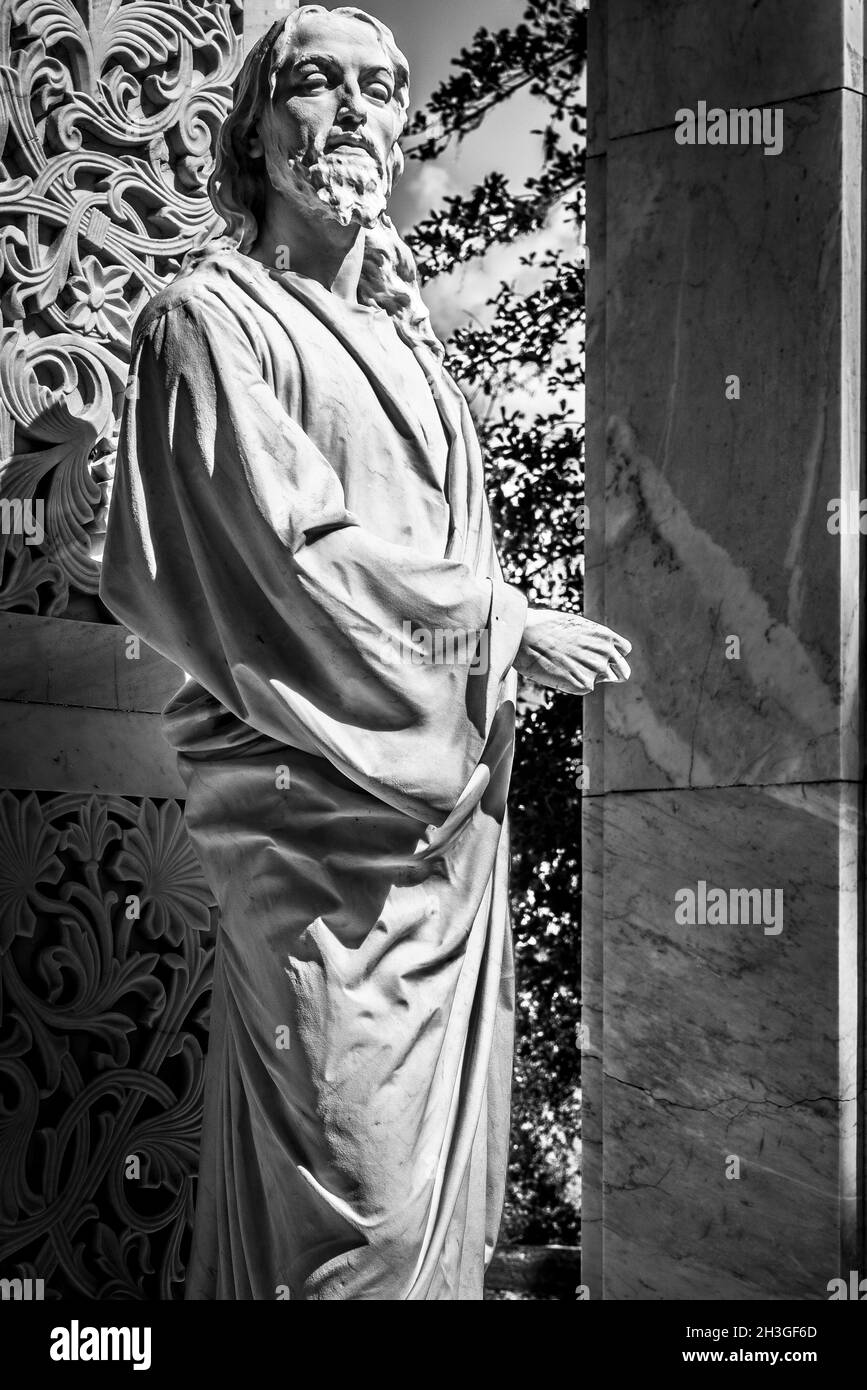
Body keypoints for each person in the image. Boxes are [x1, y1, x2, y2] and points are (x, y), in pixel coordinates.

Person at [99, 4, 631, 1301]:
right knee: (367, 1226)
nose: (354, 116)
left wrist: (488, 652)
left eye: (380, 92)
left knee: (441, 1240)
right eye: (318, 86)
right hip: (311, 844)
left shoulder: (425, 367)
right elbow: (287, 561)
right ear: (257, 130)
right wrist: (496, 626)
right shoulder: (205, 323)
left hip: (450, 855)